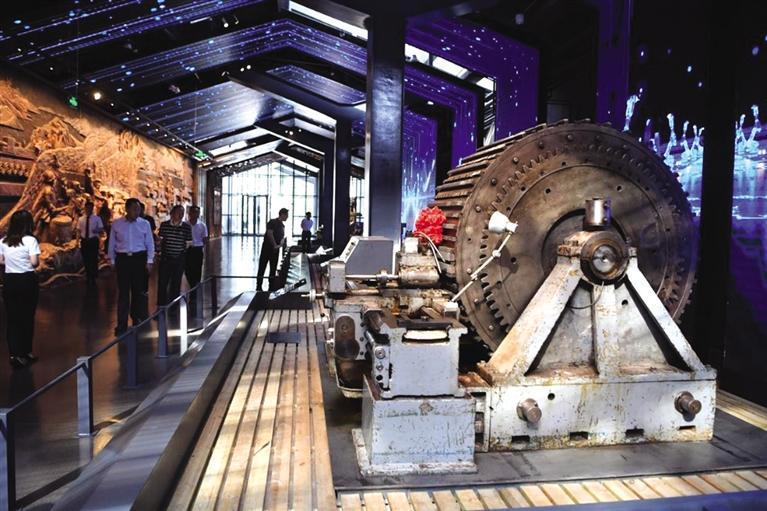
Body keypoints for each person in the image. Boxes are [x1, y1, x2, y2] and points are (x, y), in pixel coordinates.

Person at [0, 210, 41, 368]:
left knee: (12, 318)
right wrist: (24, 261)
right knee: (27, 316)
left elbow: (1, 261)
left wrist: (13, 261)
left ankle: (14, 354)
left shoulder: (3, 241)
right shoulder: (30, 240)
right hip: (27, 280)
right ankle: (26, 352)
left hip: (10, 281)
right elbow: (35, 263)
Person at [108, 198, 155, 335]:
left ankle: (136, 319)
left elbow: (149, 243)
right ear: (127, 209)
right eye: (134, 209)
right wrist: (112, 260)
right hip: (123, 260)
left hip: (138, 259)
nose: (137, 212)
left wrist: (149, 260)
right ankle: (121, 324)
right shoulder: (117, 224)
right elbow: (112, 243)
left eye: (138, 209)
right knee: (123, 292)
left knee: (137, 291)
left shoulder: (144, 224)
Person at [157, 205, 192, 306]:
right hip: (166, 259)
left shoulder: (186, 227)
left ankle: (173, 306)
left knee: (176, 283)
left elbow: (188, 243)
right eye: (178, 213)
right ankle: (161, 306)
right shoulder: (164, 225)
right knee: (162, 283)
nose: (180, 215)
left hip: (179, 259)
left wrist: (181, 254)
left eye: (182, 213)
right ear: (172, 213)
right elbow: (160, 241)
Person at [256, 208, 288, 292]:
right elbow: (269, 234)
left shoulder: (282, 226)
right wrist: (275, 245)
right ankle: (258, 286)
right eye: (286, 215)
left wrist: (280, 243)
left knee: (273, 268)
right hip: (267, 248)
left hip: (275, 250)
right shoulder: (272, 222)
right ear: (282, 214)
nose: (287, 217)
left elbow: (281, 237)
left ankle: (271, 286)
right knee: (262, 266)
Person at [184, 205, 208, 307]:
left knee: (197, 271)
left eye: (197, 212)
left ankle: (194, 293)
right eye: (193, 212)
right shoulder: (185, 225)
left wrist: (201, 245)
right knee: (188, 270)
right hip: (187, 250)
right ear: (189, 213)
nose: (195, 214)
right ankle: (193, 286)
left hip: (197, 250)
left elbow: (205, 239)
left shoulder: (202, 225)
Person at [77, 201, 104, 285]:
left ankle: (93, 275)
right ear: (85, 208)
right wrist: (77, 241)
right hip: (84, 240)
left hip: (93, 240)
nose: (88, 210)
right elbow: (78, 230)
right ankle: (88, 274)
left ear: (92, 209)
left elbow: (101, 229)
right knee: (86, 258)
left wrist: (96, 230)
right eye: (87, 208)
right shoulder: (81, 219)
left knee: (93, 257)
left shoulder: (97, 219)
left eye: (90, 208)